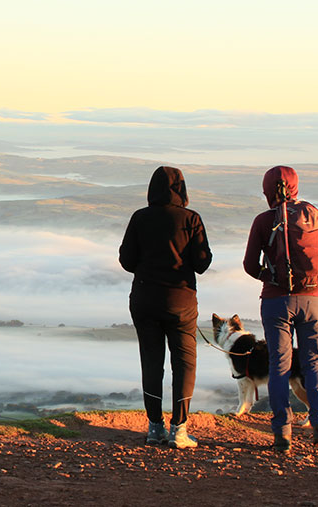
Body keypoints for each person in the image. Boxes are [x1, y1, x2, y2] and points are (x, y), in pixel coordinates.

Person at [243, 165, 318, 452]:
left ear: (266, 190)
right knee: (313, 363)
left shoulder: (264, 220)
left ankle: (282, 434)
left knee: (280, 366)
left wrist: (272, 277)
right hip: (314, 300)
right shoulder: (315, 215)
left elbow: (250, 265)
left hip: (276, 301)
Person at [119, 166, 212, 448]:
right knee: (184, 364)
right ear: (182, 190)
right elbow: (202, 263)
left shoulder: (140, 218)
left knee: (151, 361)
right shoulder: (191, 219)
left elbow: (126, 261)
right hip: (180, 301)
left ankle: (154, 427)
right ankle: (179, 430)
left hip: (145, 298)